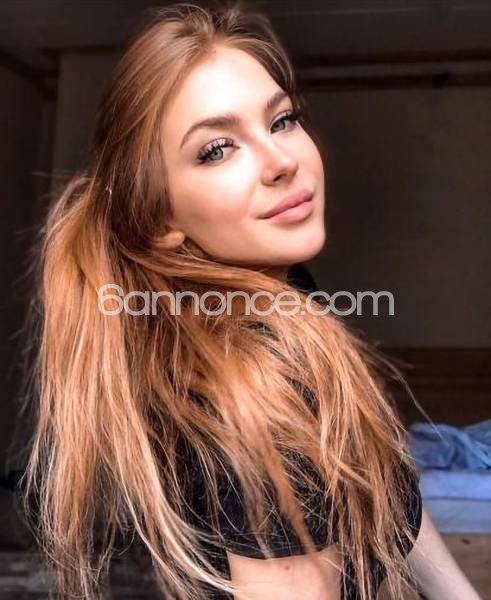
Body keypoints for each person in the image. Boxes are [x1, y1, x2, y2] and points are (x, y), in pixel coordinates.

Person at [19, 2, 481, 599]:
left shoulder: (284, 296)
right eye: (217, 149)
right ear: (160, 218)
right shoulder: (259, 381)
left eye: (282, 120)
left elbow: (386, 483)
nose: (281, 161)